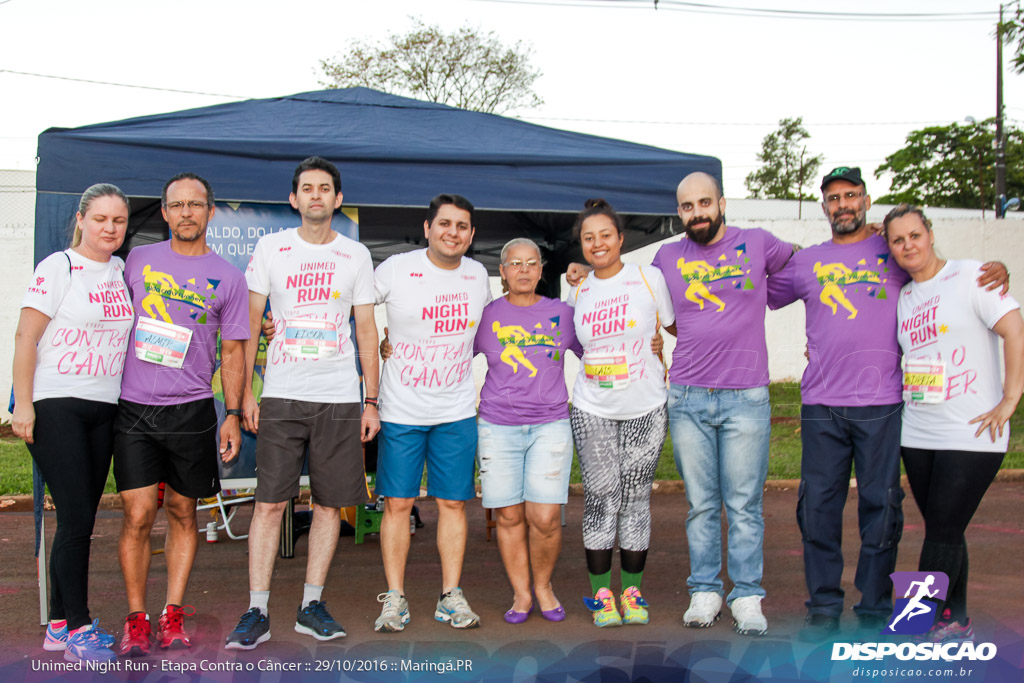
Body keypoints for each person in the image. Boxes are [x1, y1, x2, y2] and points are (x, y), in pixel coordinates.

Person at [766, 167, 1008, 641]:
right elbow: (756, 291)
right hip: (821, 405)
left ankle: (875, 607)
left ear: (865, 200)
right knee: (817, 509)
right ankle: (823, 606)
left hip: (882, 403)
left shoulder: (891, 249)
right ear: (824, 207)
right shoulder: (807, 261)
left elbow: (940, 269)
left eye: (851, 195)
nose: (843, 205)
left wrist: (995, 269)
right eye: (833, 198)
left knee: (881, 509)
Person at [565, 172, 791, 635]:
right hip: (686, 394)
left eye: (704, 203)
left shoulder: (757, 242)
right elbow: (632, 305)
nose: (696, 213)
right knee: (701, 503)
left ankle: (746, 595)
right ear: (679, 213)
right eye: (687, 207)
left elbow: (808, 266)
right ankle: (705, 591)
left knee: (744, 503)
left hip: (745, 393)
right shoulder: (665, 258)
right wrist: (581, 272)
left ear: (721, 203)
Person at [223, 158, 379, 649]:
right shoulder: (272, 248)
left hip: (337, 396)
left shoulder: (355, 255)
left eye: (325, 189)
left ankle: (312, 604)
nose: (316, 196)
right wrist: (245, 393)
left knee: (331, 505)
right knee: (270, 503)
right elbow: (249, 321)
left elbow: (367, 329)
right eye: (307, 189)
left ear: (337, 200)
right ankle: (257, 609)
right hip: (284, 394)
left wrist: (370, 400)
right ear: (293, 200)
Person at [114, 172, 249, 655]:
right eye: (177, 204)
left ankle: (172, 614)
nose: (186, 212)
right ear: (166, 212)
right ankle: (135, 618)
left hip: (192, 410)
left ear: (210, 212)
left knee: (182, 510)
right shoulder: (136, 261)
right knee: (137, 512)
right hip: (133, 408)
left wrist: (232, 412)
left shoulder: (230, 277)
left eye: (196, 204)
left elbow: (233, 352)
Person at [885, 203, 1023, 642]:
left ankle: (916, 622)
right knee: (946, 528)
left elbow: (1015, 331)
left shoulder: (974, 276)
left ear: (930, 232)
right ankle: (955, 618)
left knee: (943, 527)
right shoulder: (904, 295)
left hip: (973, 431)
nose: (909, 245)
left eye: (915, 235)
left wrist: (1010, 398)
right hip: (920, 431)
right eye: (897, 239)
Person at [12, 184, 134, 662]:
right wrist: (24, 406)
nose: (110, 228)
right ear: (81, 219)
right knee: (79, 518)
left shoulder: (122, 270)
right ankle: (78, 627)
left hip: (104, 408)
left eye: (119, 221)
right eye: (100, 218)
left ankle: (60, 627)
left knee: (79, 519)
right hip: (57, 404)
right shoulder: (57, 267)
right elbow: (25, 336)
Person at [372, 194, 491, 632]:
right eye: (444, 223)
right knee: (399, 504)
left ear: (472, 235)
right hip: (401, 408)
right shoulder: (397, 267)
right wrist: (379, 344)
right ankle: (395, 599)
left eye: (462, 226)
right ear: (427, 228)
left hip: (456, 409)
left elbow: (494, 329)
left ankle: (450, 596)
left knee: (453, 504)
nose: (452, 232)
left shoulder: (479, 275)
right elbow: (355, 306)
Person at [568, 199, 674, 628]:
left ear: (620, 240)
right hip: (592, 407)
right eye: (589, 238)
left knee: (634, 500)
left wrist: (661, 351)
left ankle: (631, 592)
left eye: (605, 235)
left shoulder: (649, 279)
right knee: (600, 497)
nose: (598, 244)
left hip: (645, 407)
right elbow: (572, 344)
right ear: (581, 245)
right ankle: (601, 597)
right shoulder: (575, 288)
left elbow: (672, 327)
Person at [475, 238, 580, 624]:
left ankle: (544, 586)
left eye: (531, 263)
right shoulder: (484, 316)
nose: (523, 270)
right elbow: (443, 347)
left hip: (550, 424)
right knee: (508, 515)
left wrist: (651, 344)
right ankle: (521, 593)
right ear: (502, 272)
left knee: (546, 516)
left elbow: (601, 348)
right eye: (514, 264)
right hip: (497, 426)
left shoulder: (563, 314)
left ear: (541, 270)